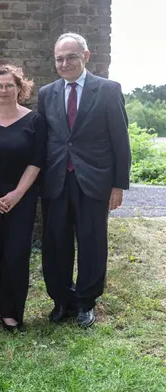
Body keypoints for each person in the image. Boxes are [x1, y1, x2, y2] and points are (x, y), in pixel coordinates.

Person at [38, 33, 131, 328]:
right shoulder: (46, 93)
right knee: (56, 243)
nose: (65, 63)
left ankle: (86, 301)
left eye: (71, 57)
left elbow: (120, 140)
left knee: (92, 242)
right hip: (55, 181)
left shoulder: (108, 90)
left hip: (94, 181)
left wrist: (118, 185)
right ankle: (61, 300)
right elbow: (43, 139)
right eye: (59, 59)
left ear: (86, 56)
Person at [0, 65, 47, 333]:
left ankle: (12, 313)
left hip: (20, 201)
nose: (4, 90)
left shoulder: (34, 121)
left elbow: (37, 160)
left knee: (15, 255)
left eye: (9, 85)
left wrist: (17, 194)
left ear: (19, 88)